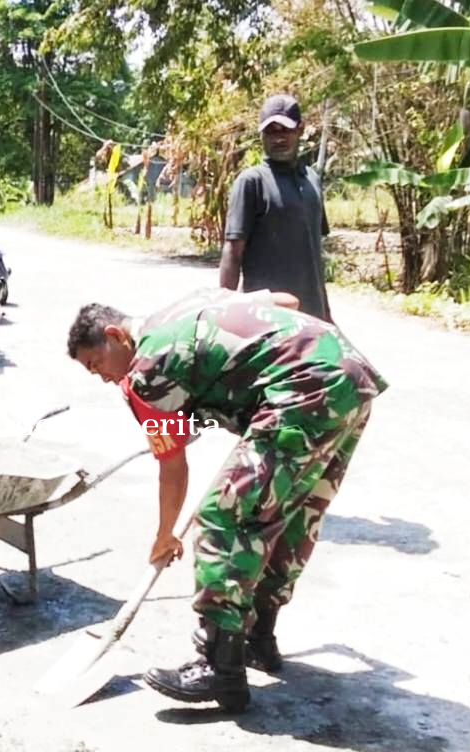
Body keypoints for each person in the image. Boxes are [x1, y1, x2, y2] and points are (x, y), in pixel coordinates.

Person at [67, 287, 386, 711]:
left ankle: (219, 668)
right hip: (346, 376)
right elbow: (286, 302)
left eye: (98, 364)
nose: (105, 377)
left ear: (115, 335)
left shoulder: (146, 374)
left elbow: (173, 466)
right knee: (290, 514)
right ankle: (257, 639)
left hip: (298, 397)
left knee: (223, 514)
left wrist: (165, 534)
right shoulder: (184, 304)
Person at [219, 93, 333, 321]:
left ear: (300, 129)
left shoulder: (312, 180)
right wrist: (224, 312)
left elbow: (314, 255)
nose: (278, 138)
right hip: (267, 319)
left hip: (312, 316)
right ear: (261, 135)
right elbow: (233, 251)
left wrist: (326, 314)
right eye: (271, 131)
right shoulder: (252, 182)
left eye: (285, 130)